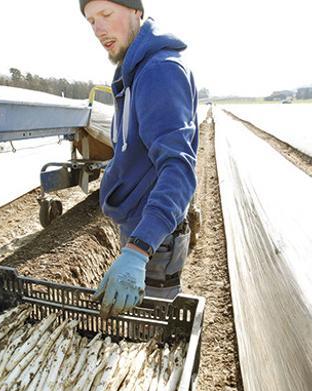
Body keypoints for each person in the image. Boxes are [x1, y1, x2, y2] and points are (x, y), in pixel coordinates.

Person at [81, 0, 199, 318]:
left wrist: (137, 251)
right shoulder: (133, 72)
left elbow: (178, 168)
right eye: (91, 21)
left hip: (153, 239)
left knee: (148, 335)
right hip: (142, 230)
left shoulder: (158, 72)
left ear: (136, 11)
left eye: (106, 15)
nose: (99, 29)